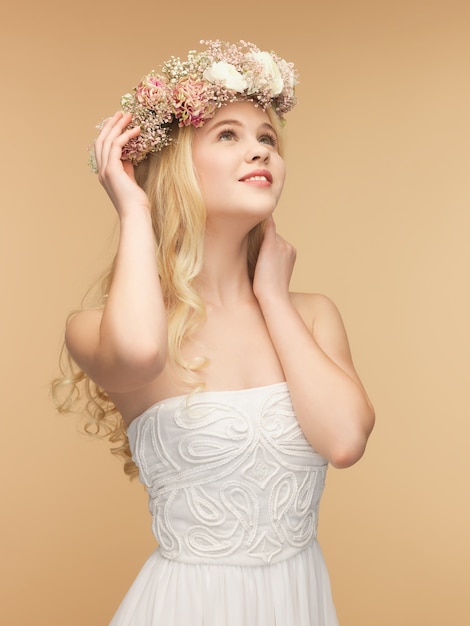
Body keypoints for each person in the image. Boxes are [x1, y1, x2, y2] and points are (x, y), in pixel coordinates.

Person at [53, 40, 375, 626]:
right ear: (176, 166)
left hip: (299, 603)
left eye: (267, 138)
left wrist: (272, 296)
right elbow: (141, 353)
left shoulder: (312, 314)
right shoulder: (94, 328)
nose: (258, 150)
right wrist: (132, 209)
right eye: (228, 134)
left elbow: (345, 441)